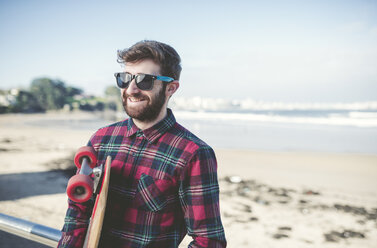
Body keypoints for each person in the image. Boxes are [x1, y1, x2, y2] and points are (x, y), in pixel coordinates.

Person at [58, 40, 227, 248]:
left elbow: (209, 240)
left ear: (170, 88)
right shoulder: (101, 139)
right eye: (124, 79)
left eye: (144, 80)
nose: (131, 89)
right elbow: (77, 213)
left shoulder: (193, 154)